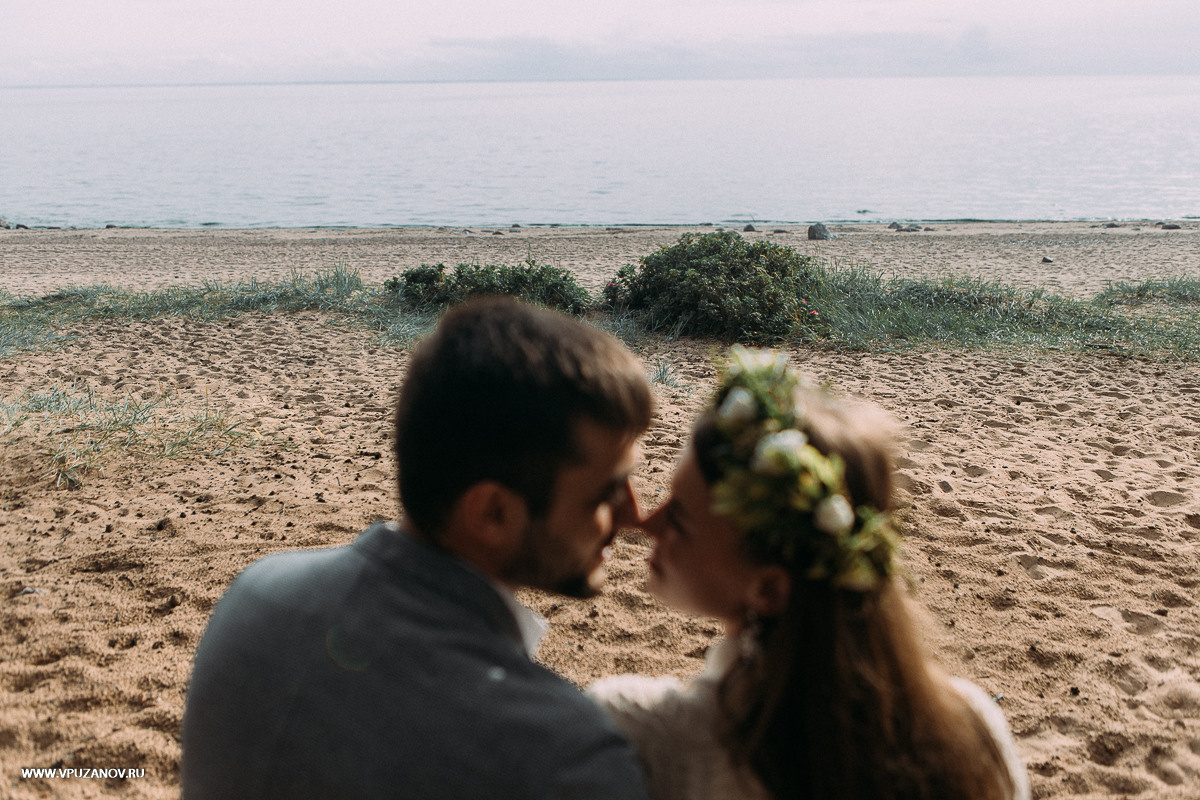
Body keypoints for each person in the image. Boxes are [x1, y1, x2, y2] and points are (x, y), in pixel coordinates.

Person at [181, 297, 655, 800]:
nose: (634, 516)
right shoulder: (561, 754)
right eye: (607, 492)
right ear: (492, 513)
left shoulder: (258, 591)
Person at [589, 346, 1030, 800]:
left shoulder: (646, 735)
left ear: (768, 588)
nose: (646, 523)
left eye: (678, 517)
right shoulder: (973, 728)